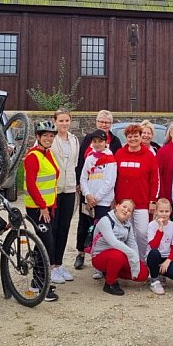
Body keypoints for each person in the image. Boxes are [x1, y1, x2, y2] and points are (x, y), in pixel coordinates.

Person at [74, 110, 121, 270]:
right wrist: (86, 193)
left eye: (107, 122)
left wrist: (99, 197)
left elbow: (112, 176)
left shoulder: (115, 142)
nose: (104, 124)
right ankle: (81, 252)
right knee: (84, 223)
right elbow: (81, 163)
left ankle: (100, 259)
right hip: (87, 193)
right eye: (101, 121)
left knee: (102, 227)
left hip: (103, 196)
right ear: (96, 122)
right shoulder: (88, 140)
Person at [23, 120, 60, 301]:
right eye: (45, 135)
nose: (48, 138)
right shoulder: (33, 156)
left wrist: (50, 205)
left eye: (51, 136)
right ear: (38, 137)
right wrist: (43, 206)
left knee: (43, 245)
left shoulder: (48, 153)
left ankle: (37, 282)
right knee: (46, 245)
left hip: (48, 207)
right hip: (37, 208)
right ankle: (41, 284)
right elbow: (30, 184)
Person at [114, 124, 159, 261]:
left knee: (141, 233)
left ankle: (142, 260)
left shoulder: (149, 155)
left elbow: (155, 180)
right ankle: (128, 259)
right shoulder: (120, 154)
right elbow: (113, 177)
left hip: (141, 203)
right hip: (122, 203)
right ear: (126, 138)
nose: (133, 139)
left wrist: (153, 200)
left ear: (140, 137)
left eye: (136, 136)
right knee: (125, 233)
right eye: (130, 136)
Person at [90, 199, 148, 296]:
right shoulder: (105, 220)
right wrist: (132, 255)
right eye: (124, 207)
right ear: (117, 206)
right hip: (100, 256)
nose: (126, 210)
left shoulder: (128, 225)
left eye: (129, 210)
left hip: (119, 256)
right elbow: (113, 242)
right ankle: (110, 283)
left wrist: (136, 261)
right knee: (117, 255)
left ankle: (111, 271)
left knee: (143, 274)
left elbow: (133, 244)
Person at [49, 109, 79, 283]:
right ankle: (51, 264)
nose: (64, 123)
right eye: (61, 120)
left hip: (69, 188)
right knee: (53, 226)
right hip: (54, 188)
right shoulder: (51, 140)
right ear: (55, 121)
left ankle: (59, 263)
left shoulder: (74, 140)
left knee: (64, 227)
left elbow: (74, 164)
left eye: (67, 120)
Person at [78, 129, 117, 246]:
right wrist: (88, 195)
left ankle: (102, 253)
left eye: (100, 141)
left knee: (102, 230)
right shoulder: (90, 158)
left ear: (106, 142)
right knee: (91, 228)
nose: (97, 144)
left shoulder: (110, 160)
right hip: (89, 201)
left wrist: (96, 198)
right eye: (95, 141)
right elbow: (83, 178)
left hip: (102, 202)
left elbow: (109, 182)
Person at [145, 198, 173, 295]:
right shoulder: (151, 225)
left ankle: (161, 273)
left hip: (166, 257)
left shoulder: (172, 225)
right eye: (161, 211)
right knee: (155, 253)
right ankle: (154, 280)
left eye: (167, 211)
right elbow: (153, 246)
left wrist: (168, 261)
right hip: (154, 256)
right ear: (156, 211)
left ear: (170, 212)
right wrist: (160, 228)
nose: (164, 214)